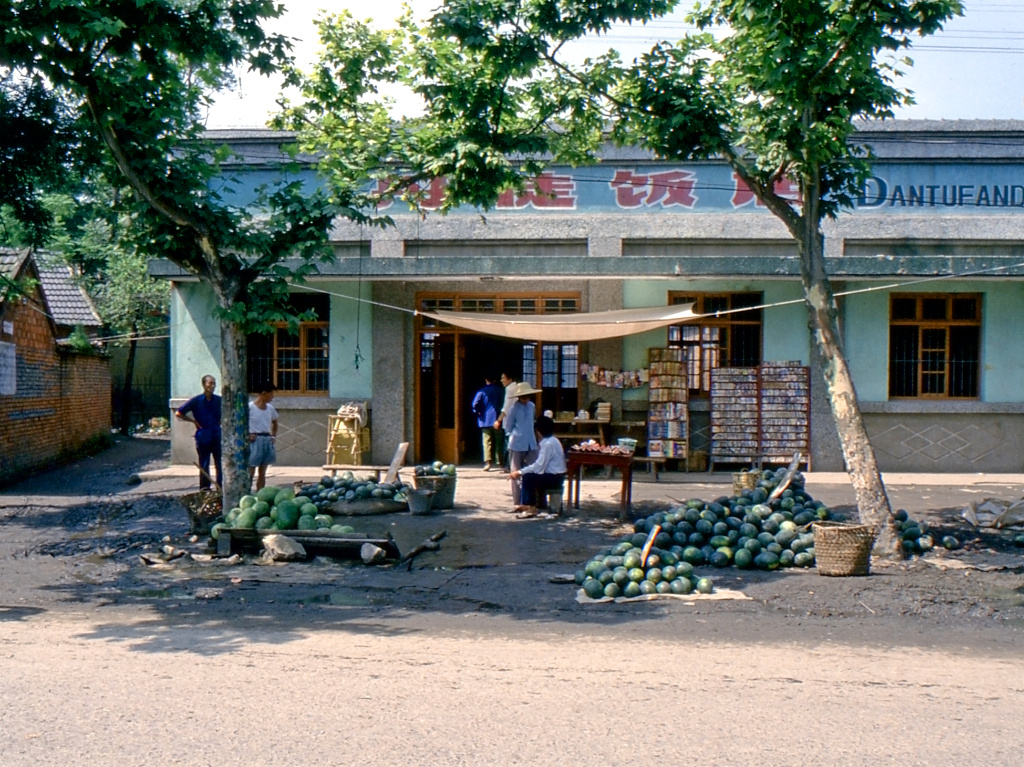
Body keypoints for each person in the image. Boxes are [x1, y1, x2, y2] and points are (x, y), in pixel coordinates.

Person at [510, 415, 567, 519]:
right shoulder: (555, 440)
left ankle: (530, 508)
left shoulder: (547, 444)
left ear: (538, 431)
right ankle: (536, 504)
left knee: (528, 477)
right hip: (559, 475)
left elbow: (538, 467)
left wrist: (519, 472)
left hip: (554, 477)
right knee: (532, 475)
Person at [175, 374, 222, 490]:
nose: (212, 386)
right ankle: (205, 488)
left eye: (214, 383)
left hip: (216, 434)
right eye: (210, 383)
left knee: (219, 463)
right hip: (203, 435)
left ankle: (221, 487)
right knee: (204, 462)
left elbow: (228, 411)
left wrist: (221, 421)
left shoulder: (218, 400)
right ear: (204, 384)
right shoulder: (196, 401)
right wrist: (193, 421)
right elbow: (179, 413)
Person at [504, 380, 540, 507]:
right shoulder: (513, 409)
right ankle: (517, 502)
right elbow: (508, 427)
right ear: (519, 397)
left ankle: (532, 500)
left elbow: (532, 423)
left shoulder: (532, 406)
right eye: (523, 397)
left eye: (527, 397)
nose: (525, 399)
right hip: (516, 443)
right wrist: (514, 435)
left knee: (534, 470)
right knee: (515, 472)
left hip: (531, 442)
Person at [248, 382, 279, 492]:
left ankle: (260, 493)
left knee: (263, 471)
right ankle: (247, 492)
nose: (273, 397)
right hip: (254, 440)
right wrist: (247, 435)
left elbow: (275, 423)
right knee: (251, 470)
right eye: (271, 394)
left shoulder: (270, 408)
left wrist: (273, 436)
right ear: (264, 394)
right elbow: (241, 425)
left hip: (266, 439)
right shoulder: (250, 407)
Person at [471, 374, 505, 471]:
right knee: (499, 442)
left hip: (485, 420)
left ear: (486, 380)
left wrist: (478, 412)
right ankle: (500, 463)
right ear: (495, 380)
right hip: (498, 419)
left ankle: (488, 463)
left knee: (487, 442)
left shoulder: (482, 391)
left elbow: (475, 404)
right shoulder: (501, 391)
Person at [493, 371, 518, 473]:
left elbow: (506, 407)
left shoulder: (509, 389)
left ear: (510, 379)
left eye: (503, 378)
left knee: (508, 444)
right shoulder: (516, 387)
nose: (501, 380)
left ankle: (508, 466)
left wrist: (498, 420)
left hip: (510, 421)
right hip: (517, 421)